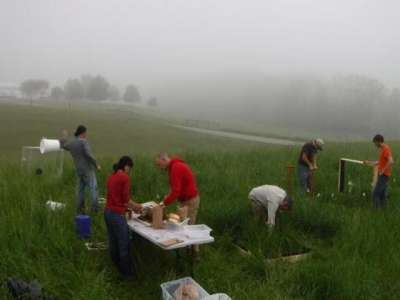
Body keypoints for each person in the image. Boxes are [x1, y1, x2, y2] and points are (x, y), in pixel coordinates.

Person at [104, 156, 142, 280]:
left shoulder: (111, 176)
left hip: (107, 212)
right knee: (124, 243)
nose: (129, 170)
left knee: (112, 241)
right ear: (126, 165)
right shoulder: (125, 177)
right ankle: (127, 274)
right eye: (129, 168)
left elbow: (114, 196)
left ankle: (118, 266)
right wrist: (136, 206)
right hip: (117, 214)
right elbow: (125, 198)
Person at [156, 152, 200, 251]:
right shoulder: (175, 166)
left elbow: (175, 192)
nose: (160, 167)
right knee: (182, 226)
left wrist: (163, 203)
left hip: (190, 200)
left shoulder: (176, 168)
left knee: (189, 227)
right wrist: (169, 196)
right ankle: (186, 248)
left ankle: (194, 254)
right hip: (185, 199)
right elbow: (178, 189)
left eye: (160, 164)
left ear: (164, 160)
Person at [59, 125, 101, 213]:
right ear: (83, 133)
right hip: (87, 169)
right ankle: (95, 210)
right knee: (93, 188)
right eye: (85, 133)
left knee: (80, 190)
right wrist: (96, 164)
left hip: (79, 170)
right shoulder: (83, 142)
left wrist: (64, 136)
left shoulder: (72, 143)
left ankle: (80, 208)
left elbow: (63, 145)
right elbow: (88, 154)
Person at [364, 134, 394, 208]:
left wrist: (382, 172)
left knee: (375, 194)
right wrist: (369, 162)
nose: (375, 144)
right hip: (383, 175)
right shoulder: (383, 149)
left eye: (375, 142)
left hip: (383, 175)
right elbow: (379, 162)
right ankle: (385, 210)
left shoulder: (386, 148)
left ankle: (377, 211)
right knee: (383, 194)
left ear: (379, 141)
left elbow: (390, 161)